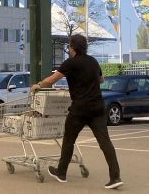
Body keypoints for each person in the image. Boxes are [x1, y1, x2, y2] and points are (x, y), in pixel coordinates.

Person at [31, 34, 123, 189]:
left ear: (72, 47)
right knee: (105, 142)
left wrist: (38, 85)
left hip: (80, 109)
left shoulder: (71, 63)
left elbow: (53, 79)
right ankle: (115, 177)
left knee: (69, 140)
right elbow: (101, 79)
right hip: (97, 108)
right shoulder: (93, 61)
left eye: (69, 46)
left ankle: (61, 173)